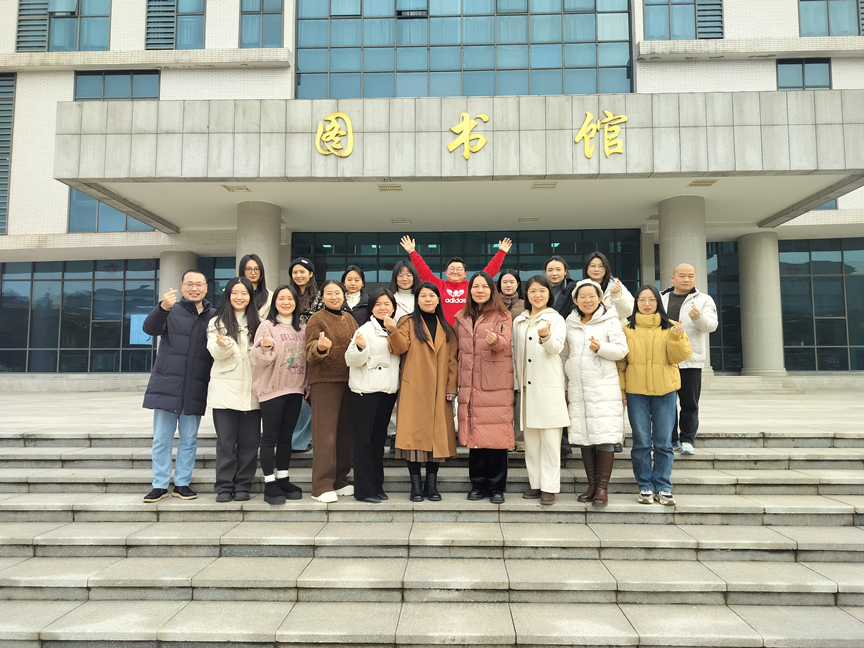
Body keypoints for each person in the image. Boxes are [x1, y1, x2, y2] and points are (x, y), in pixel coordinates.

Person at [141, 269, 216, 503]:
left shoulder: (214, 316)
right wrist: (162, 307)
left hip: (195, 386)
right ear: (182, 286)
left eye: (199, 284)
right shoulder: (170, 310)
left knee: (189, 439)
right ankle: (160, 485)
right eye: (189, 284)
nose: (194, 288)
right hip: (167, 384)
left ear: (206, 288)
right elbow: (150, 329)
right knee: (162, 439)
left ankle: (182, 483)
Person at [617, 285, 692, 506]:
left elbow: (679, 357)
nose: (647, 304)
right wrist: (622, 390)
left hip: (665, 390)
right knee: (641, 442)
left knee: (663, 442)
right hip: (636, 392)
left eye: (651, 299)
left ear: (658, 302)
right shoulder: (626, 329)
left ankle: (663, 486)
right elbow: (621, 364)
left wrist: (677, 338)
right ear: (636, 303)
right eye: (642, 300)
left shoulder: (671, 327)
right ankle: (645, 485)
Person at [561, 280, 629, 508]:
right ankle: (591, 485)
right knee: (584, 439)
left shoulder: (610, 320)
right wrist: (565, 386)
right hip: (578, 388)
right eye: (582, 297)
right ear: (575, 300)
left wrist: (600, 348)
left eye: (592, 296)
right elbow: (564, 356)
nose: (587, 300)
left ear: (600, 298)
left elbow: (622, 350)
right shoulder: (570, 323)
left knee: (605, 438)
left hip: (603, 387)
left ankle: (602, 488)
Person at [388, 282, 458, 502]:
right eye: (423, 296)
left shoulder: (447, 328)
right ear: (416, 300)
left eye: (432, 296)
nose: (428, 299)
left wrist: (451, 388)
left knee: (437, 439)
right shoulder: (407, 322)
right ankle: (416, 486)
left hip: (439, 391)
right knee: (414, 441)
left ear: (438, 300)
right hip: (414, 389)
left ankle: (432, 486)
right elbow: (398, 348)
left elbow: (452, 362)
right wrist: (392, 330)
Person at [455, 272, 514, 504]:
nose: (480, 290)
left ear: (492, 290)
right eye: (475, 287)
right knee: (475, 436)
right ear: (469, 291)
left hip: (495, 385)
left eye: (484, 286)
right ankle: (477, 484)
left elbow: (504, 342)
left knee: (497, 437)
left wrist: (494, 341)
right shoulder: (461, 317)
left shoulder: (503, 315)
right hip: (470, 385)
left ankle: (497, 486)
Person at [512, 275, 570, 506]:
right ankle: (535, 484)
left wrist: (545, 338)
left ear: (549, 294)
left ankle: (549, 487)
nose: (537, 295)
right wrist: (516, 384)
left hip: (548, 389)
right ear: (526, 294)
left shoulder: (555, 319)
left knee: (550, 442)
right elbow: (515, 354)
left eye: (542, 291)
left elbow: (556, 348)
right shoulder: (520, 320)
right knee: (532, 443)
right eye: (533, 291)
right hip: (526, 390)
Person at [206, 277, 262, 502]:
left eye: (244, 293)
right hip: (225, 391)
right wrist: (223, 347)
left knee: (250, 443)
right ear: (228, 295)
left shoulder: (260, 323)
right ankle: (224, 486)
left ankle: (243, 485)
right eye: (235, 293)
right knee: (226, 443)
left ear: (251, 296)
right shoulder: (217, 322)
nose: (240, 297)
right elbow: (214, 351)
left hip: (252, 391)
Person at [251, 285, 307, 505]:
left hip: (295, 389)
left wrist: (307, 386)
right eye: (281, 298)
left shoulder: (302, 328)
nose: (286, 302)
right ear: (275, 303)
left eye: (290, 298)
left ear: (296, 302)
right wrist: (265, 347)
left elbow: (305, 360)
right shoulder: (267, 326)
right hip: (272, 389)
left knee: (286, 438)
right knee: (270, 437)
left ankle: (283, 478)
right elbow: (258, 360)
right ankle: (269, 482)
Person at [304, 280, 358, 503]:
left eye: (337, 293)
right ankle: (321, 485)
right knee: (325, 435)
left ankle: (339, 480)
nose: (334, 297)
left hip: (349, 381)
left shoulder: (349, 318)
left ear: (343, 295)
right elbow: (309, 350)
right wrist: (320, 348)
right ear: (322, 296)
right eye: (329, 293)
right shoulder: (316, 319)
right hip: (325, 382)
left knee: (345, 434)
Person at [345, 288, 401, 503]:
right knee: (364, 442)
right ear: (371, 308)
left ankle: (377, 485)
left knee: (378, 441)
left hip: (386, 392)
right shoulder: (365, 330)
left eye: (387, 304)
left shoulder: (394, 328)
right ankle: (364, 490)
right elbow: (350, 359)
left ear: (393, 307)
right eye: (378, 304)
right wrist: (359, 348)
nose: (382, 308)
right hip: (365, 393)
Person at [660, 263, 718, 454]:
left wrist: (698, 317)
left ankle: (687, 440)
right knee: (666, 403)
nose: (686, 279)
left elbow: (711, 326)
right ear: (672, 278)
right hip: (664, 360)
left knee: (689, 403)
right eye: (682, 275)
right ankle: (671, 439)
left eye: (690, 276)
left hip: (690, 360)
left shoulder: (704, 300)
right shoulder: (660, 298)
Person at [399, 235, 512, 325]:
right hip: (444, 332)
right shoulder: (438, 285)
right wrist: (412, 252)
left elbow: (489, 271)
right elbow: (423, 271)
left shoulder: (471, 286)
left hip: (467, 332)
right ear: (446, 272)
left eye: (459, 269)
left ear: (465, 273)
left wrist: (501, 253)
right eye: (451, 268)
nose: (455, 271)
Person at [386, 259, 421, 452]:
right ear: (395, 277)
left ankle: (414, 432)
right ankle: (394, 433)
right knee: (396, 390)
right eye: (401, 275)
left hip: (418, 351)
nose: (405, 278)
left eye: (409, 274)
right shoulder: (389, 298)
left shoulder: (421, 296)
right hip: (394, 349)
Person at [288, 257, 317, 453]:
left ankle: (302, 440)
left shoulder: (319, 297)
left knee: (308, 397)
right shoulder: (287, 295)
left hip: (313, 350)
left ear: (311, 274)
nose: (299, 275)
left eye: (302, 271)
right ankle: (292, 438)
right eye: (295, 272)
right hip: (290, 350)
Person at [498, 269, 525, 452]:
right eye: (505, 282)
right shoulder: (492, 304)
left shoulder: (525, 305)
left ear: (518, 284)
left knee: (520, 398)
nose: (508, 285)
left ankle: (520, 438)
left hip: (521, 355)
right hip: (499, 356)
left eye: (512, 282)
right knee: (503, 399)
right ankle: (505, 438)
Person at [583, 252, 635, 327]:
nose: (596, 269)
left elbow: (627, 312)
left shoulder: (616, 285)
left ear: (606, 268)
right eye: (592, 266)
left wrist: (616, 295)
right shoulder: (580, 288)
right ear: (586, 268)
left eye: (601, 266)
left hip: (614, 331)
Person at [239, 253, 273, 319]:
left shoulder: (270, 296)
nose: (253, 272)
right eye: (248, 269)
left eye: (257, 269)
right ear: (242, 270)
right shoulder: (233, 294)